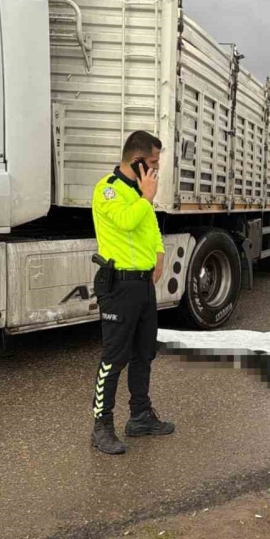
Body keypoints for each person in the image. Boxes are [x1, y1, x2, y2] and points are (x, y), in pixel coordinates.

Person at [90, 130, 175, 454]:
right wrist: (146, 198)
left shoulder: (139, 193)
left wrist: (159, 253)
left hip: (143, 284)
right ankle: (101, 426)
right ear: (137, 161)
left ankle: (140, 417)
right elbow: (127, 222)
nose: (156, 169)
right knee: (114, 358)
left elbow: (149, 226)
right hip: (119, 285)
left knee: (144, 352)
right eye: (153, 163)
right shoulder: (108, 190)